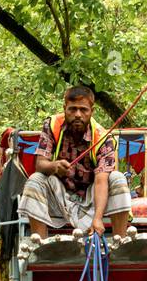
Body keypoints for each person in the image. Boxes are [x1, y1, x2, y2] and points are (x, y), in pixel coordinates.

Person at [18, 85, 131, 238]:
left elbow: (101, 181)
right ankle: (40, 245)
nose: (78, 114)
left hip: (92, 199)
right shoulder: (52, 125)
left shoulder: (103, 137)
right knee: (35, 179)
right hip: (60, 197)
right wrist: (54, 166)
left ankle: (120, 241)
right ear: (65, 108)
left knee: (117, 178)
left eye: (83, 109)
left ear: (92, 111)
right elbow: (40, 164)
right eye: (73, 109)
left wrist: (97, 219)